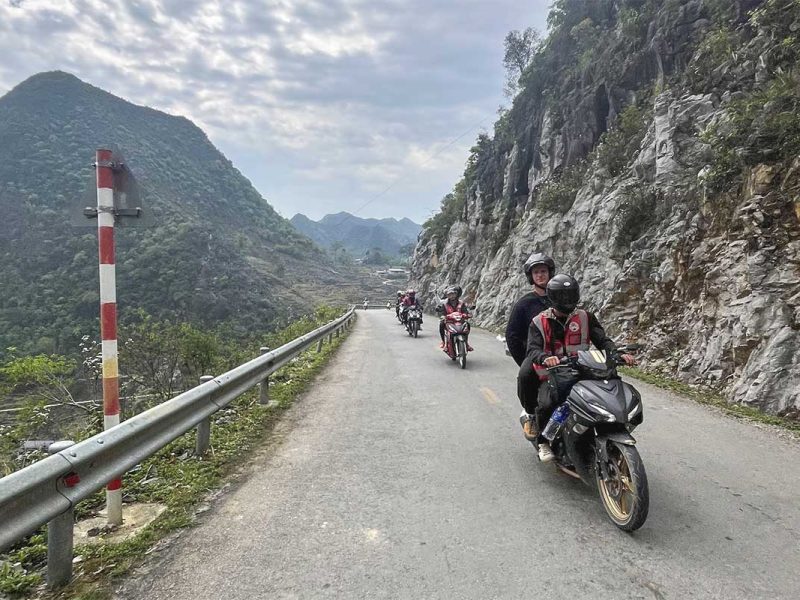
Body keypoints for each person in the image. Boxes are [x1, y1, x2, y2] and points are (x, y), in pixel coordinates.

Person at [522, 274, 635, 462]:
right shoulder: (538, 322)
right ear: (552, 298)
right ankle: (543, 442)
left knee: (607, 393)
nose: (567, 301)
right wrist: (545, 358)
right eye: (562, 296)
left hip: (583, 370)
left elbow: (602, 340)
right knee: (549, 404)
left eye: (570, 295)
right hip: (553, 373)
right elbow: (532, 349)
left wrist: (617, 354)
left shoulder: (586, 317)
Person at [507, 253, 555, 442]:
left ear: (550, 273)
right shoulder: (524, 304)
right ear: (531, 276)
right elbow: (512, 335)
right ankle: (531, 416)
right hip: (535, 353)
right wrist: (525, 358)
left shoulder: (560, 297)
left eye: (543, 271)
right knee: (526, 375)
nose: (540, 275)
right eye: (536, 272)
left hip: (563, 351)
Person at [435, 285, 472, 350]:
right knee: (441, 324)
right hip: (449, 321)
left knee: (467, 324)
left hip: (459, 321)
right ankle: (444, 342)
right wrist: (443, 316)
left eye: (453, 294)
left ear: (456, 294)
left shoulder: (461, 303)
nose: (451, 296)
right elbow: (443, 312)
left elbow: (465, 311)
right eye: (449, 294)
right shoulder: (445, 304)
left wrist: (467, 315)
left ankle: (466, 343)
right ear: (447, 296)